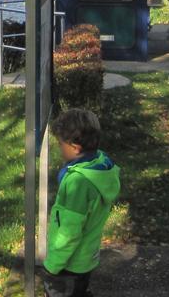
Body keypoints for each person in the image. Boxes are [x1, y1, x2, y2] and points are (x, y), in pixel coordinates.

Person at [43, 108, 121, 297]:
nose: (59, 148)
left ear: (75, 147)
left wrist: (52, 266)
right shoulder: (101, 165)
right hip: (87, 258)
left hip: (69, 263)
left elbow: (69, 232)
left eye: (61, 144)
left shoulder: (78, 184)